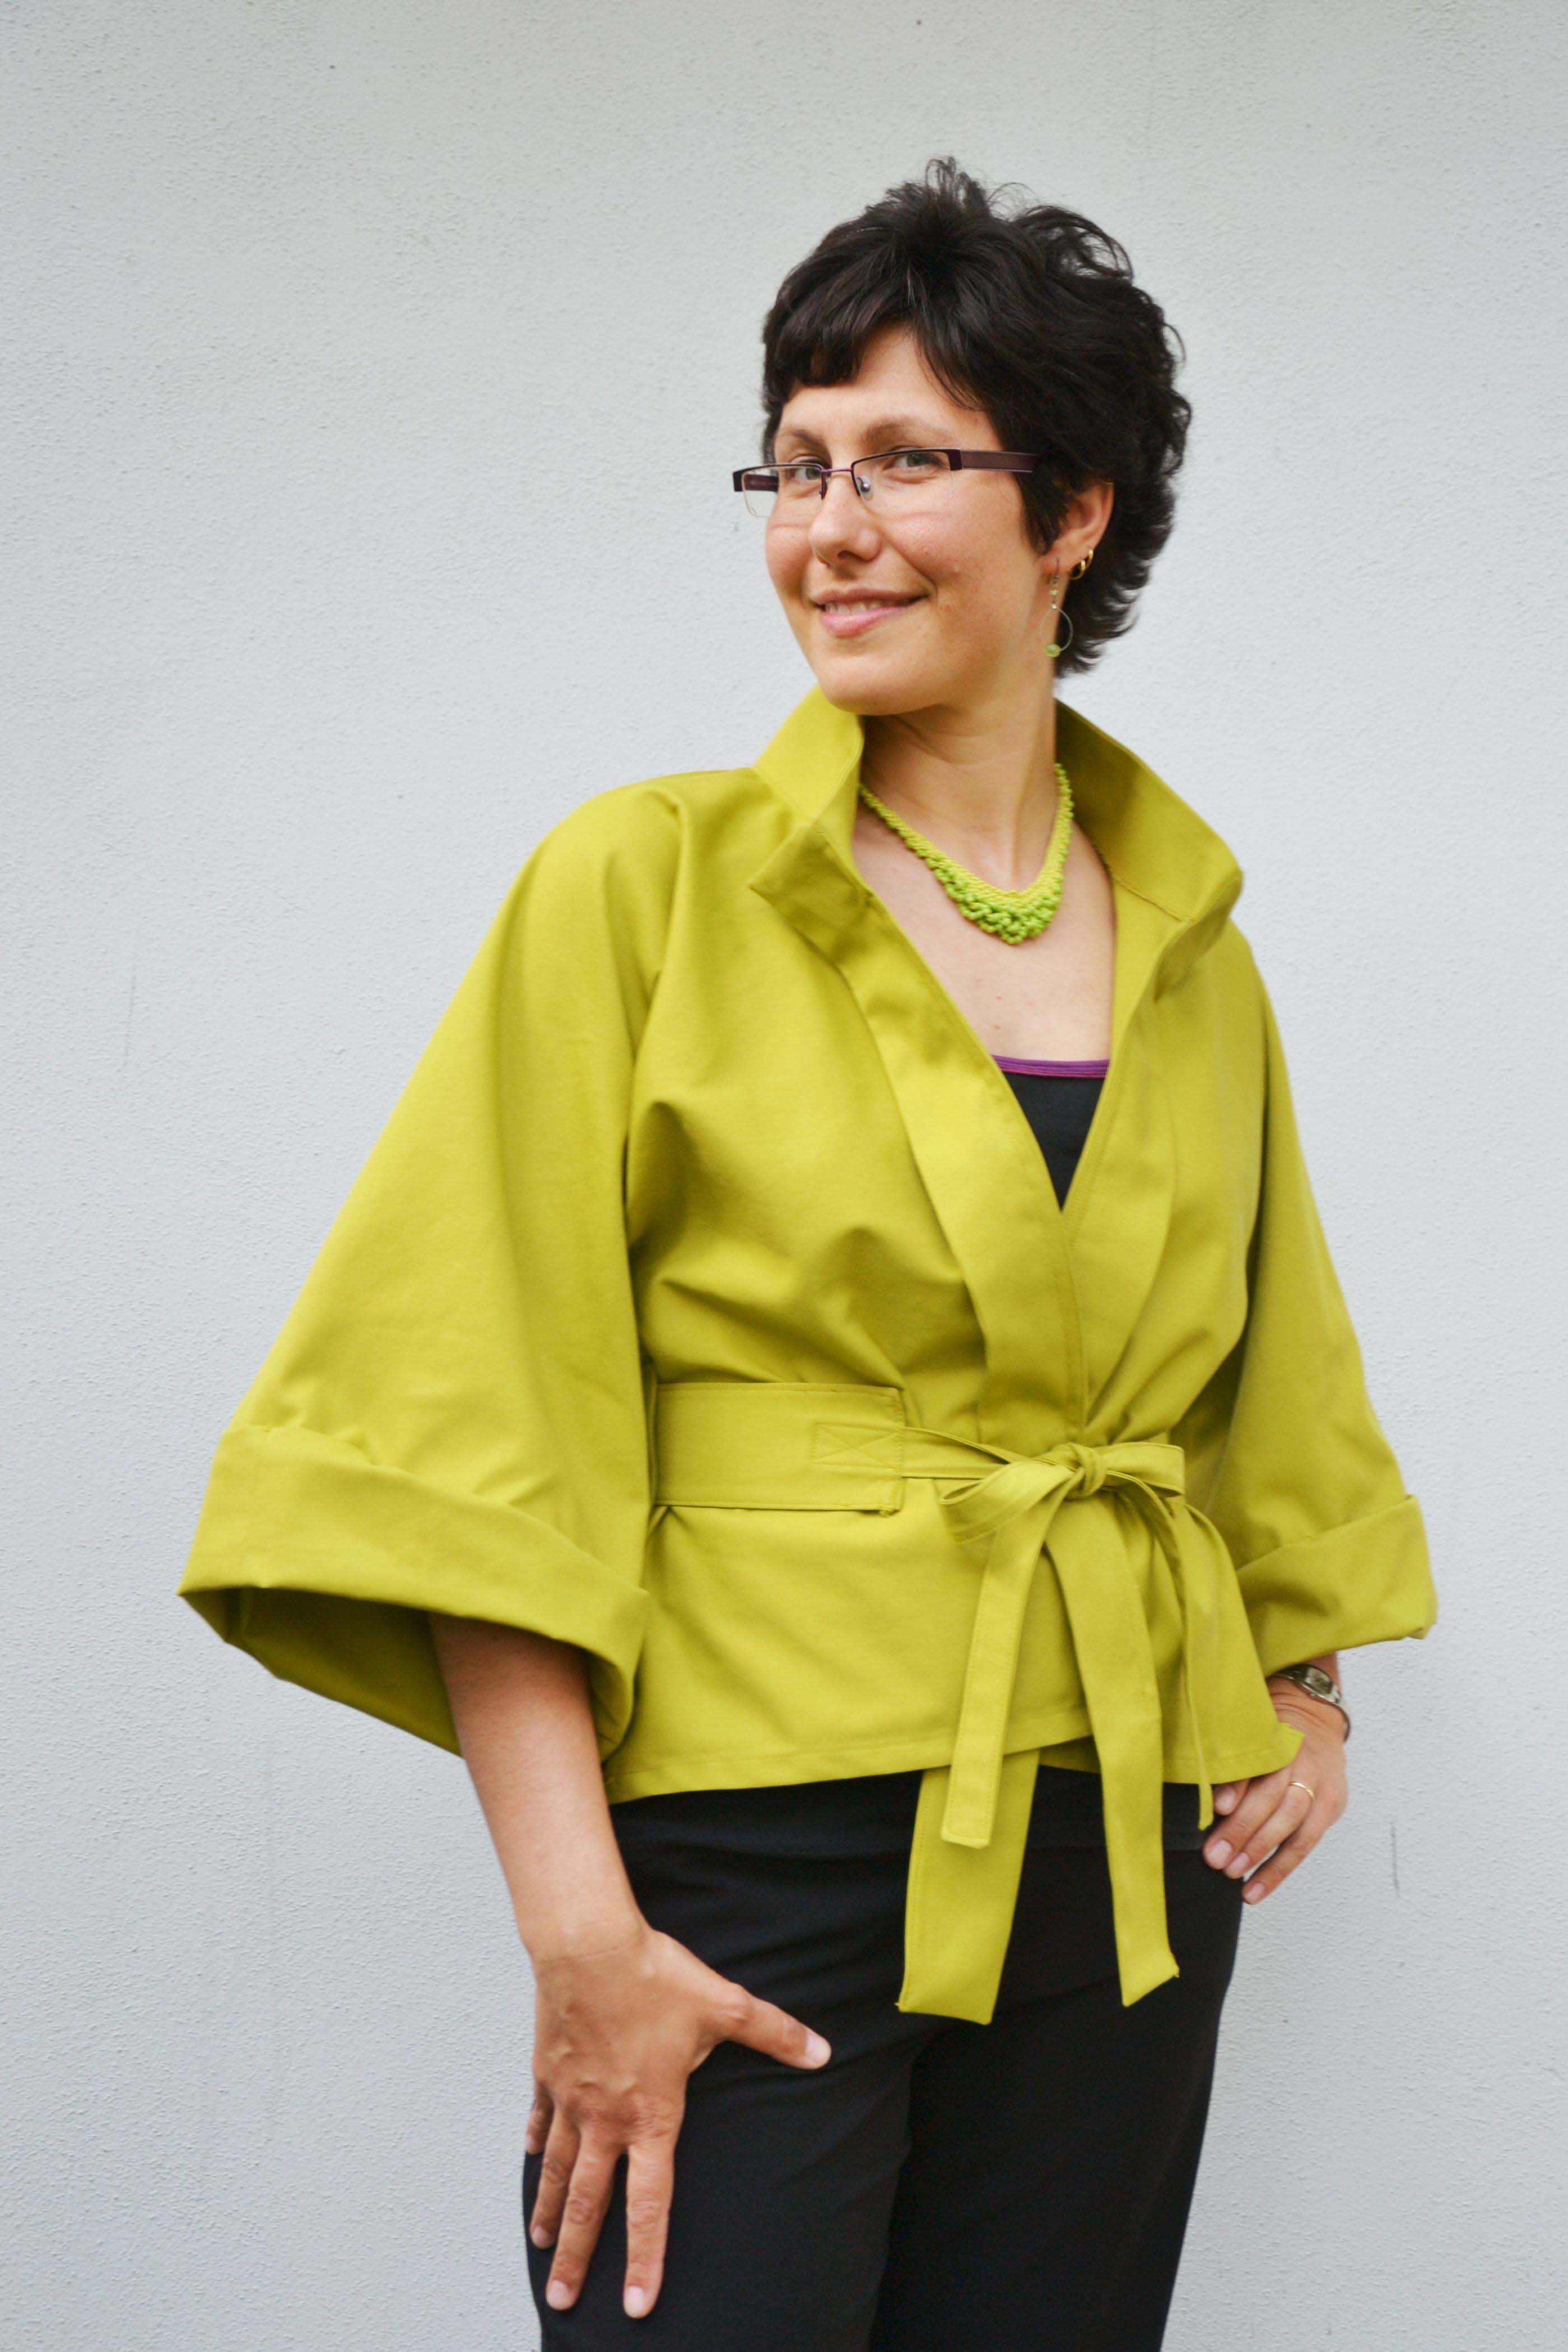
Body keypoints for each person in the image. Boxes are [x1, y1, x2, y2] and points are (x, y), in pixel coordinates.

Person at [178, 159, 1437, 2348]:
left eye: (906, 462)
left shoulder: (1191, 941)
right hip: (749, 1841)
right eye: (796, 464)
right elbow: (475, 1424)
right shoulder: (643, 884)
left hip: (1125, 1843)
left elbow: (1272, 1373)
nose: (828, 527)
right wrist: (581, 1935)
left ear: (1075, 514)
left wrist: (1307, 1690)